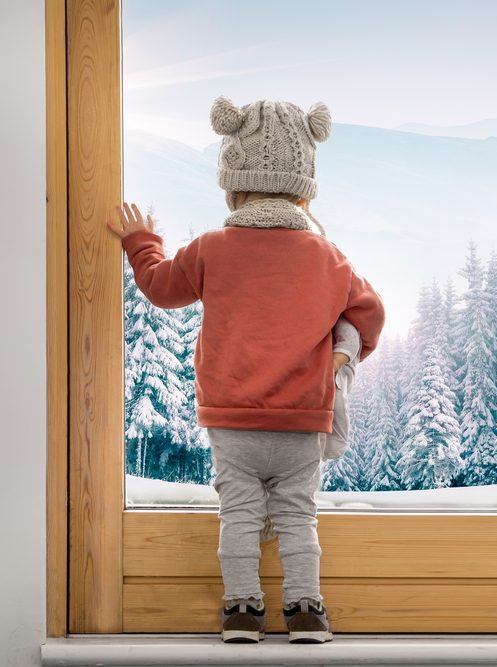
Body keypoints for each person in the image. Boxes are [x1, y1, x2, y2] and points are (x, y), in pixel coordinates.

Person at [107, 96, 386, 644]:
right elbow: (369, 312)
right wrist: (343, 354)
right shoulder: (329, 257)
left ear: (232, 185)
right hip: (303, 423)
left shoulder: (213, 248)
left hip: (232, 423)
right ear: (305, 190)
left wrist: (141, 243)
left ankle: (241, 613)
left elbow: (162, 288)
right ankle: (307, 613)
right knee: (297, 518)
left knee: (237, 515)